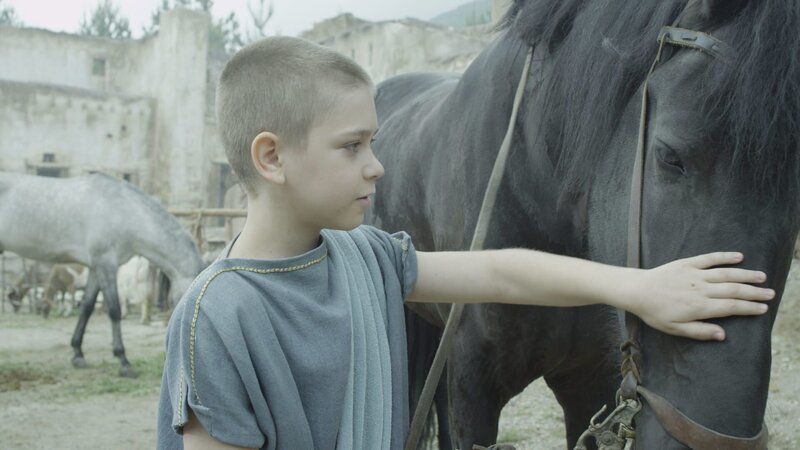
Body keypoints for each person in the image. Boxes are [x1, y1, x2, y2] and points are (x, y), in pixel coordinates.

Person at [157, 36, 774, 450]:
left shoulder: (369, 259)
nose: (377, 167)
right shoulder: (217, 318)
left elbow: (501, 273)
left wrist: (639, 287)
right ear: (271, 157)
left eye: (374, 143)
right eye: (352, 146)